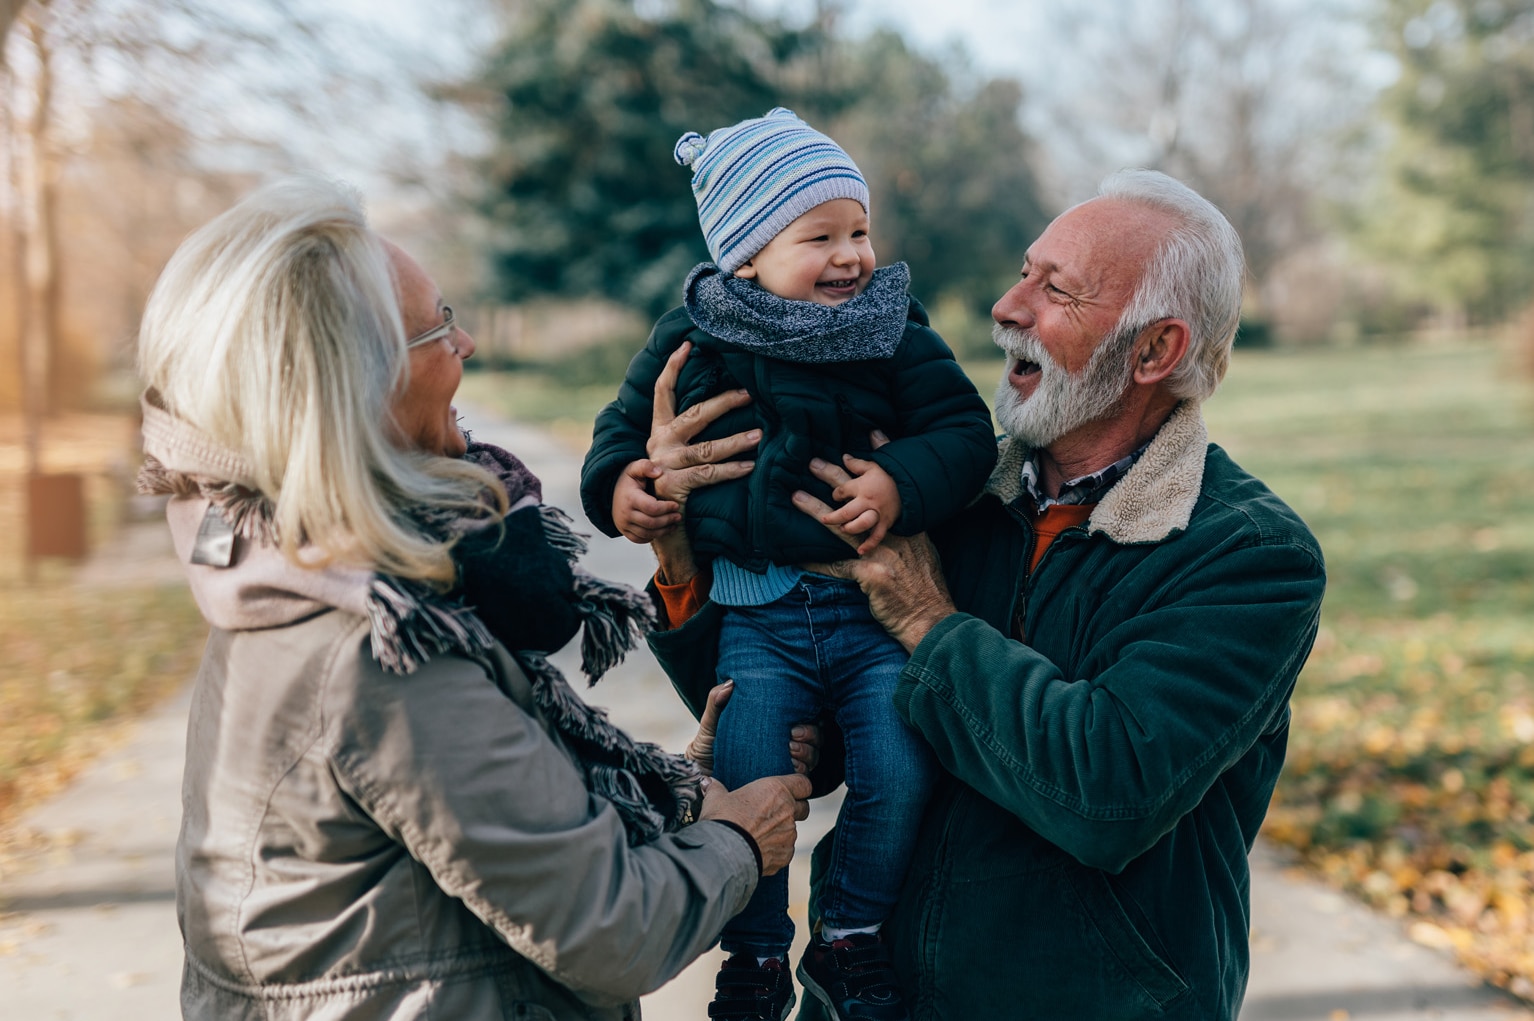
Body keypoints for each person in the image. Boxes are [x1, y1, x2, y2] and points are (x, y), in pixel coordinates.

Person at [640, 169, 1327, 1019]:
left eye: (1056, 291)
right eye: (1024, 271)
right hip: (864, 1001)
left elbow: (1107, 791)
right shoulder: (940, 493)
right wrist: (680, 548)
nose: (1007, 306)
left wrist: (932, 623)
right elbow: (796, 692)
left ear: (1155, 351)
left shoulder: (1246, 553)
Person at [135, 176, 814, 1021]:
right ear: (359, 383)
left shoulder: (287, 574)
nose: (468, 342)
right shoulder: (380, 652)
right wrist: (739, 839)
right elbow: (614, 925)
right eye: (437, 328)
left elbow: (494, 832)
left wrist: (676, 788)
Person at [579, 108, 997, 1021]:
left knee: (899, 763)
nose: (852, 255)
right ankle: (757, 953)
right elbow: (616, 434)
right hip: (756, 618)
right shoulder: (693, 336)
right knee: (751, 777)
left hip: (871, 616)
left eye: (860, 230)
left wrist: (896, 480)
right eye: (820, 236)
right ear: (746, 255)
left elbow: (965, 434)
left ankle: (848, 934)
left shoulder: (895, 330)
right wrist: (626, 489)